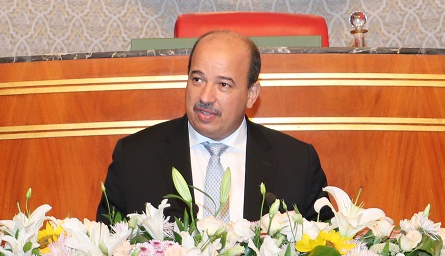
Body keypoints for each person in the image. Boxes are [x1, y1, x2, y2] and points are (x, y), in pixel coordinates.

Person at [96, 30, 330, 223]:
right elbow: (107, 255)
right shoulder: (136, 158)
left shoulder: (297, 163)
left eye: (224, 85)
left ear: (251, 94)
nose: (205, 96)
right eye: (197, 79)